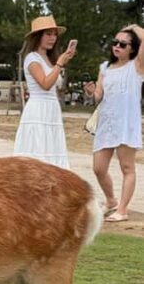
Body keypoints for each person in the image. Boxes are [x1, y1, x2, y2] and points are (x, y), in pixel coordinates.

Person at [84, 25, 144, 222]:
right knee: (98, 168)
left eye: (123, 44)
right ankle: (111, 201)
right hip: (107, 123)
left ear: (132, 48)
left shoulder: (137, 66)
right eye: (115, 42)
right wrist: (91, 92)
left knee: (127, 167)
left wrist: (134, 27)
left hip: (127, 122)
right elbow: (99, 97)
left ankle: (123, 210)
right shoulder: (105, 67)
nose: (117, 46)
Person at [13, 16, 76, 168]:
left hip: (52, 108)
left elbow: (55, 86)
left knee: (52, 149)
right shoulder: (32, 58)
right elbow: (45, 84)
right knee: (38, 150)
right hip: (38, 109)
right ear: (38, 37)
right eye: (48, 34)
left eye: (54, 34)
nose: (52, 38)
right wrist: (60, 64)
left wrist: (60, 62)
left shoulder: (48, 58)